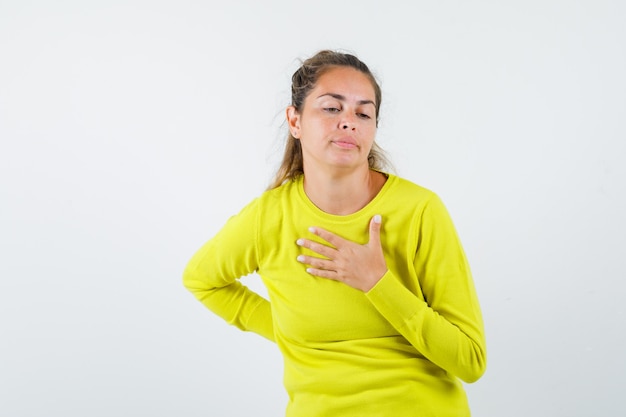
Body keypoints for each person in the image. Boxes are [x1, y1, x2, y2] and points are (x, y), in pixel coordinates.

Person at [183, 50, 487, 417]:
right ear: (295, 121)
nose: (349, 122)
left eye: (363, 112)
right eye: (332, 108)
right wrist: (286, 329)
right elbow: (201, 280)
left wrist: (378, 283)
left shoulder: (420, 211)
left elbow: (470, 361)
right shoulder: (269, 219)